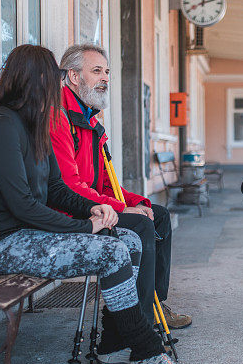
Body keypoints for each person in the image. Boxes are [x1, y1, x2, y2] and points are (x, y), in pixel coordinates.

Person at [0, 44, 192, 364]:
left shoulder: (31, 126)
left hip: (30, 232)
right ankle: (146, 351)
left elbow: (57, 188)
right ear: (29, 82)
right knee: (115, 249)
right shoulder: (0, 126)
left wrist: (94, 207)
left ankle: (113, 345)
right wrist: (85, 225)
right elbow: (22, 205)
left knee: (131, 238)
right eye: (50, 80)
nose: (55, 90)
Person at [51, 43, 191, 329]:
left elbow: (105, 181)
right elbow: (67, 186)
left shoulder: (90, 120)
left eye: (107, 71)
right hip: (69, 211)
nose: (105, 78)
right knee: (140, 225)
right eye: (96, 71)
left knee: (158, 214)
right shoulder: (60, 117)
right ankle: (138, 319)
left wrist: (138, 202)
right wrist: (121, 208)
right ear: (74, 77)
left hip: (93, 205)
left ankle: (153, 303)